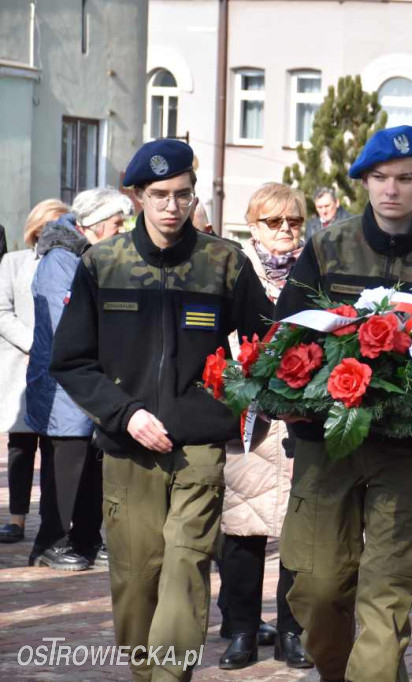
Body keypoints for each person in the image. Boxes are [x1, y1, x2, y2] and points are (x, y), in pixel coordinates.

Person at [50, 139, 272, 680]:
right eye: (159, 195)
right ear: (136, 197)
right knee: (135, 581)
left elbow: (271, 346)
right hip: (128, 452)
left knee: (185, 570)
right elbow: (72, 361)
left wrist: (244, 399)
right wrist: (125, 414)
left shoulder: (225, 263)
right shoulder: (102, 263)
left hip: (198, 449)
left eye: (182, 195)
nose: (172, 207)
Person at [275, 125, 412, 682]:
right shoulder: (326, 247)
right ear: (365, 180)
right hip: (327, 445)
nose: (392, 190)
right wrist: (290, 399)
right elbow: (285, 335)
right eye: (382, 179)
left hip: (408, 452)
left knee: (387, 596)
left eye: (405, 179)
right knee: (318, 590)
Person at [216, 183, 311, 671]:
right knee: (242, 530)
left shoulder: (313, 273)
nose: (285, 231)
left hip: (298, 422)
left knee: (298, 532)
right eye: (273, 222)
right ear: (253, 224)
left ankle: (294, 629)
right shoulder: (234, 270)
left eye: (293, 221)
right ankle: (241, 630)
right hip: (248, 420)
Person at [26, 190, 132, 571]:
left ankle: (87, 537)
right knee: (66, 464)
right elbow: (66, 324)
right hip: (63, 384)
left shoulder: (91, 255)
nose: (122, 232)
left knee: (91, 464)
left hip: (89, 380)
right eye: (118, 225)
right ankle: (50, 541)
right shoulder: (61, 259)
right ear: (97, 225)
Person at [0, 200, 66, 544]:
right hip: (23, 363)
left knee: (58, 445)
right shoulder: (12, 263)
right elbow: (1, 311)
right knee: (21, 445)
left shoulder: (74, 263)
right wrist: (34, 344)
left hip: (62, 365)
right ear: (37, 227)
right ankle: (16, 518)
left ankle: (52, 520)